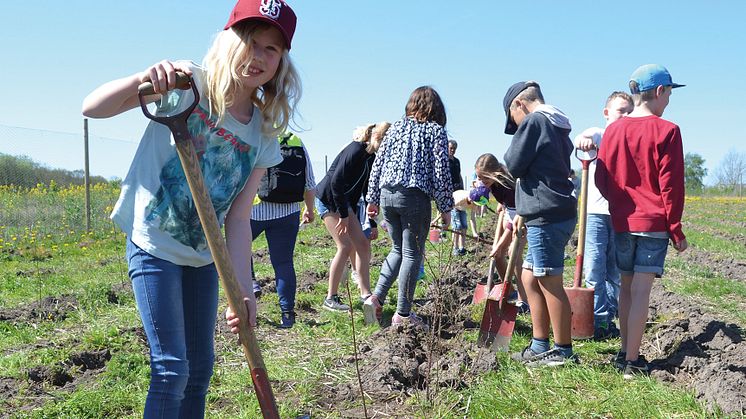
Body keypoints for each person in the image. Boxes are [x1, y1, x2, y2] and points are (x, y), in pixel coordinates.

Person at [81, 0, 300, 415]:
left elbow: (238, 218)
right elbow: (92, 107)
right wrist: (143, 79)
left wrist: (244, 289)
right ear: (227, 41)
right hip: (155, 245)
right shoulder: (186, 84)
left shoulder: (263, 129)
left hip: (204, 258)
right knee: (171, 369)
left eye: (271, 48)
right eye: (249, 41)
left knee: (200, 371)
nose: (258, 55)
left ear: (282, 62)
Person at [596, 64, 688, 378]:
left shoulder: (613, 130)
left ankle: (624, 350)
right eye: (670, 94)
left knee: (625, 287)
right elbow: (671, 185)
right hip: (653, 224)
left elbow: (602, 178)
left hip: (622, 221)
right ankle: (632, 362)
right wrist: (675, 228)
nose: (669, 102)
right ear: (660, 92)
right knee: (641, 293)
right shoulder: (667, 131)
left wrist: (619, 205)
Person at [501, 81, 578, 367]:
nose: (516, 125)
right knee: (530, 278)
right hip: (546, 212)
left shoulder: (534, 121)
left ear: (518, 105)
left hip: (546, 214)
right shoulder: (557, 124)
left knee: (549, 281)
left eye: (513, 120)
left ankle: (563, 351)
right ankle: (539, 343)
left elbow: (513, 163)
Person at [364, 86, 454, 328]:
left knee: (397, 250)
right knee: (412, 253)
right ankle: (403, 315)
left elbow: (378, 164)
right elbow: (441, 172)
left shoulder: (395, 129)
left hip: (387, 195)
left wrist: (372, 198)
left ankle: (376, 298)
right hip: (414, 196)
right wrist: (446, 207)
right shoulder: (435, 131)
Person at [573, 91, 634, 340]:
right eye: (621, 110)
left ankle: (606, 316)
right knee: (594, 266)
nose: (626, 115)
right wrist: (584, 142)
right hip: (596, 213)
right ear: (607, 113)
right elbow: (582, 137)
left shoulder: (631, 138)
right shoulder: (602, 133)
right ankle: (597, 319)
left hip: (621, 213)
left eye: (630, 111)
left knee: (614, 270)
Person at [315, 122, 391, 316]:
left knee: (363, 245)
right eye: (387, 142)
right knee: (345, 246)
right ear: (377, 137)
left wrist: (372, 221)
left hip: (345, 203)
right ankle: (330, 298)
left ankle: (365, 294)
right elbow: (335, 182)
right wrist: (343, 215)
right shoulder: (356, 149)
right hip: (329, 199)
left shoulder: (371, 158)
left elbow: (367, 190)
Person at [250, 132, 315, 329]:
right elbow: (310, 182)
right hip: (288, 212)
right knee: (284, 263)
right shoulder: (295, 140)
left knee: (237, 251)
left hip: (252, 210)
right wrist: (309, 209)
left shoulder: (252, 136)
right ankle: (287, 314)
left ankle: (250, 287)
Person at [473, 153, 528, 312]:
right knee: (498, 257)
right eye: (479, 177)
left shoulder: (507, 185)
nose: (482, 181)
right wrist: (501, 204)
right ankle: (510, 292)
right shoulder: (489, 184)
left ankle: (524, 301)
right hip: (509, 211)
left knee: (514, 254)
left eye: (485, 178)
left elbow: (514, 220)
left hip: (522, 217)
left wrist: (500, 244)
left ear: (495, 173)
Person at [447, 140, 468, 255]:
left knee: (464, 224)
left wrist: (463, 190)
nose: (452, 150)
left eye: (454, 148)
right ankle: (454, 247)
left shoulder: (457, 162)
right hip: (452, 197)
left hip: (460, 195)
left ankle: (462, 247)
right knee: (456, 224)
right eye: (451, 148)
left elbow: (459, 175)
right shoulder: (444, 161)